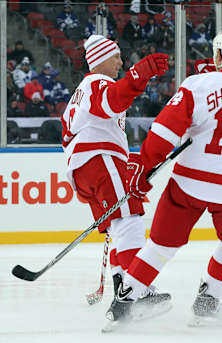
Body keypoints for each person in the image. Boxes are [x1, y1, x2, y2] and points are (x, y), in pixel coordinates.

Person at [109, 28, 222, 327]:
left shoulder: (197, 85)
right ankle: (208, 302)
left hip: (191, 183)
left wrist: (144, 167)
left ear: (218, 54)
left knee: (160, 245)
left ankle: (125, 301)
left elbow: (163, 131)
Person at [60, 34, 171, 331]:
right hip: (99, 161)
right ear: (99, 60)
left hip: (85, 168)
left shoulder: (82, 91)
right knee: (131, 220)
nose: (121, 63)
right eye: (116, 57)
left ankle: (124, 296)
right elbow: (112, 101)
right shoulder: (98, 83)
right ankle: (139, 293)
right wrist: (140, 73)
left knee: (120, 228)